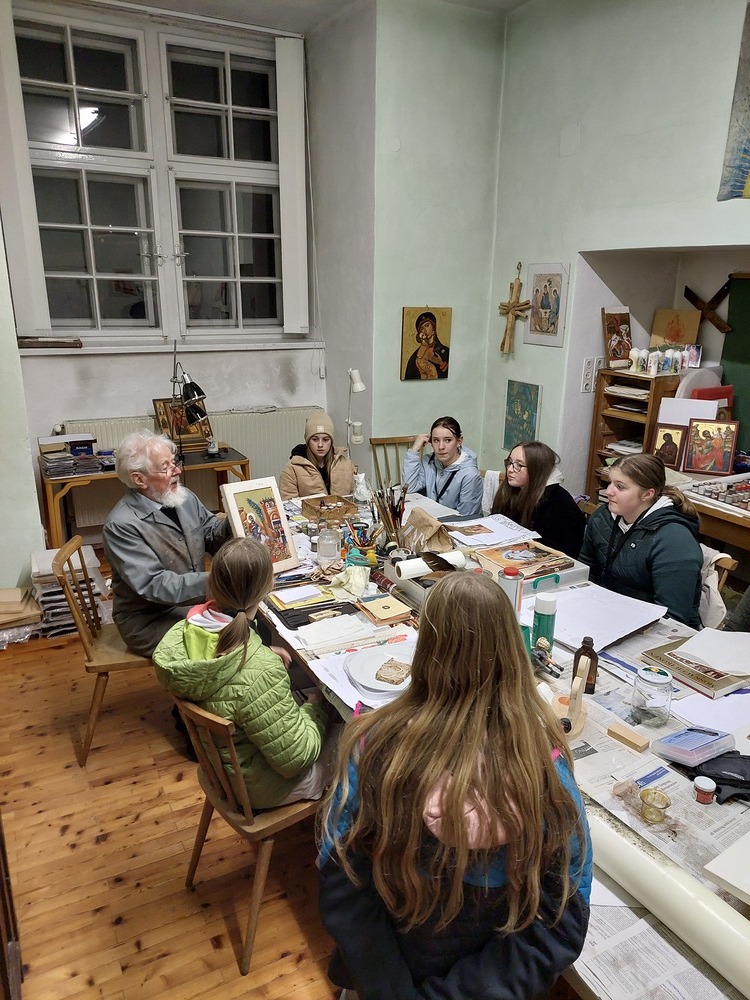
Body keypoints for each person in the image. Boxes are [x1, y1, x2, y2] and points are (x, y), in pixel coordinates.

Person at [318, 573, 592, 1000]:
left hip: (387, 976)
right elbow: (561, 921)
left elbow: (341, 880)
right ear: (512, 652)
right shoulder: (546, 775)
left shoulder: (373, 750)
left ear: (426, 649)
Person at [153, 537, 336, 808]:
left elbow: (228, 667)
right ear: (269, 586)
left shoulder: (185, 631)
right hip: (259, 787)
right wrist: (317, 708)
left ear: (213, 583)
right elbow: (297, 759)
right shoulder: (261, 670)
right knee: (355, 735)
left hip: (221, 767)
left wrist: (260, 650)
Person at [103, 430, 232, 657]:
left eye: (174, 462)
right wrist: (217, 582)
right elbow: (155, 584)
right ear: (139, 479)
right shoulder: (121, 525)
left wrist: (235, 519)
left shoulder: (183, 497)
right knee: (232, 638)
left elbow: (211, 533)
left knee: (252, 616)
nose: (177, 471)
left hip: (192, 604)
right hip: (150, 621)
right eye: (166, 467)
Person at [578, 453, 702, 627]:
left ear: (647, 494)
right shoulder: (603, 517)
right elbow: (585, 571)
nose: (609, 491)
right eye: (610, 482)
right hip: (607, 613)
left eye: (620, 487)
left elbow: (672, 618)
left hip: (653, 628)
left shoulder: (674, 540)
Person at [491, 441, 586, 557]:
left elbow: (562, 553)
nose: (510, 469)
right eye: (510, 462)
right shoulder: (513, 489)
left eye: (518, 465)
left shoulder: (560, 505)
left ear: (537, 469)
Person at [403, 416, 483, 516]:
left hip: (458, 523)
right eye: (436, 440)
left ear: (459, 441)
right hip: (434, 518)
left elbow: (466, 517)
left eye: (448, 440)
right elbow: (409, 488)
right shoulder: (429, 461)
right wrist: (415, 449)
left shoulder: (470, 474)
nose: (441, 447)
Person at [279, 412, 356, 500]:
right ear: (308, 442)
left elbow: (355, 498)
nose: (320, 445)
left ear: (331, 441)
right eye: (315, 439)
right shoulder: (292, 469)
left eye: (325, 440)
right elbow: (288, 503)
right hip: (307, 509)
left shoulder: (346, 465)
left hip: (342, 509)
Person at [404, 311, 450, 380]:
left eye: (427, 325)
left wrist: (440, 363)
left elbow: (448, 376)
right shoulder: (414, 357)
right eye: (422, 328)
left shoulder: (445, 352)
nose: (424, 330)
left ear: (433, 328)